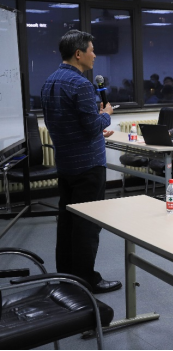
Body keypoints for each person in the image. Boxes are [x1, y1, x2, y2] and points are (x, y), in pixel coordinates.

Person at [41, 30, 121, 294]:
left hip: (66, 163)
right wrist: (106, 115)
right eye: (91, 50)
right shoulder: (81, 85)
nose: (94, 55)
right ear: (78, 54)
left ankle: (66, 276)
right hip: (88, 166)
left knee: (67, 222)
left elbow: (63, 123)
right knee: (87, 225)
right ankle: (87, 281)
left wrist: (95, 129)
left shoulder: (50, 81)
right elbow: (91, 126)